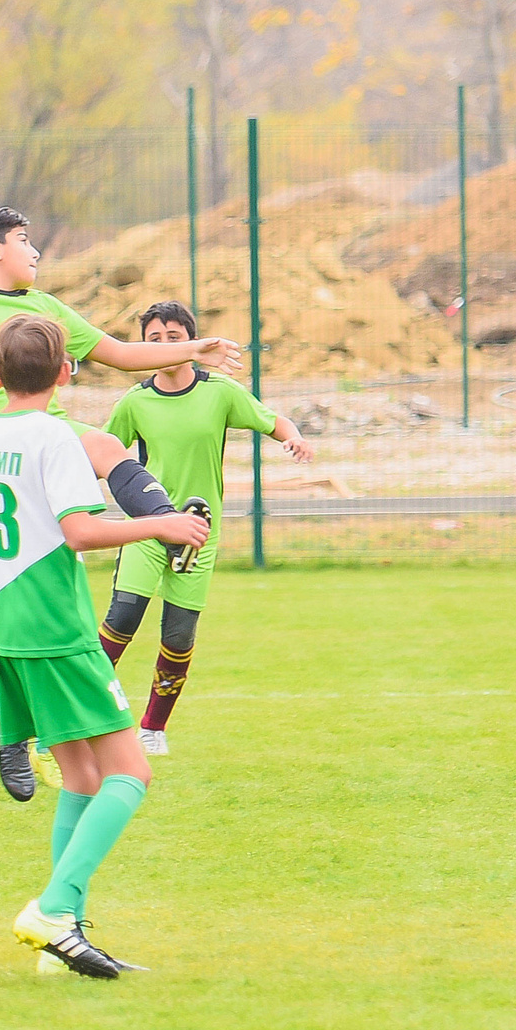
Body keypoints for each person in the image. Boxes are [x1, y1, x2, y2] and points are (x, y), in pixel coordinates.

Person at [0, 205, 241, 801]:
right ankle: (9, 728)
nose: (35, 251)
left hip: (49, 433)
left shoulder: (48, 308)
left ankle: (172, 526)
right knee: (0, 579)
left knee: (106, 447)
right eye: (24, 240)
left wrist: (192, 349)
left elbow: (115, 351)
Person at [0, 313, 209, 978]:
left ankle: (61, 936)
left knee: (81, 776)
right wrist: (162, 523)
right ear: (66, 372)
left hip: (1, 630)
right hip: (54, 627)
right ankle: (53, 906)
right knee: (132, 773)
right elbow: (78, 532)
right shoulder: (56, 436)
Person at [98, 301, 312, 754]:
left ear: (192, 342)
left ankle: (153, 729)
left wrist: (293, 437)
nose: (164, 347)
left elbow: (274, 422)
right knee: (122, 617)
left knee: (177, 636)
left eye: (174, 337)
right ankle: (83, 709)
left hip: (199, 536)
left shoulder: (220, 392)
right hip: (150, 529)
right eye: (153, 340)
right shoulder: (135, 402)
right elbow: (100, 454)